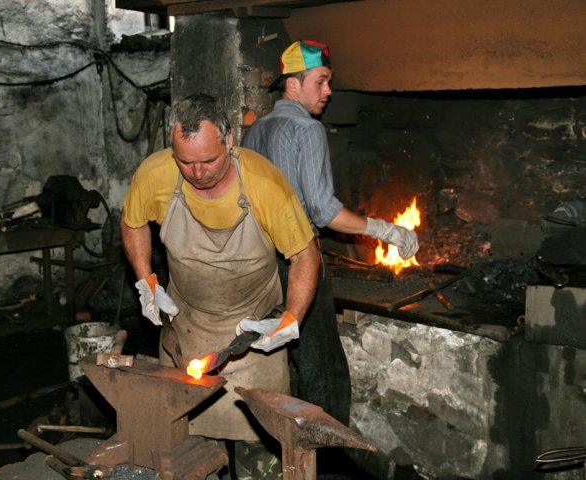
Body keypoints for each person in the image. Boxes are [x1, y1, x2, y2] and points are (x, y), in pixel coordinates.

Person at [120, 93, 320, 478]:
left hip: (253, 341)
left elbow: (304, 256)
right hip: (188, 330)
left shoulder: (264, 184)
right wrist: (146, 278)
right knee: (187, 455)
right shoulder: (155, 174)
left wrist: (291, 318)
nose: (197, 173)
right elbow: (132, 223)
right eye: (186, 162)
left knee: (260, 460)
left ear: (230, 141)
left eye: (208, 161)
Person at [242, 40, 419, 433]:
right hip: (299, 261)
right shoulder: (308, 129)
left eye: (328, 83)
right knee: (323, 366)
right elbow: (323, 210)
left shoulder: (254, 132)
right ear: (292, 85)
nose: (328, 91)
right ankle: (330, 455)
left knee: (281, 356)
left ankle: (280, 440)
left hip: (257, 263)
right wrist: (385, 230)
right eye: (320, 82)